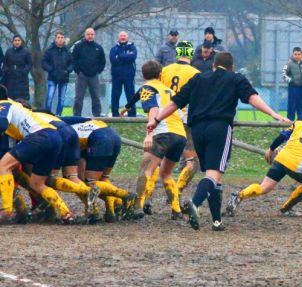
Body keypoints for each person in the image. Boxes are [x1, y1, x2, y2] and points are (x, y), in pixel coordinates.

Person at [147, 52, 290, 231]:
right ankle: (195, 202)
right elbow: (252, 98)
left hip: (197, 130)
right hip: (219, 128)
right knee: (213, 174)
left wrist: (156, 119)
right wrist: (273, 113)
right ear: (232, 66)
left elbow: (175, 103)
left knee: (212, 176)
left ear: (213, 65)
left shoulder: (198, 78)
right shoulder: (235, 78)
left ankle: (216, 221)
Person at [226, 100, 302, 218]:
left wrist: (271, 149)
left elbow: (283, 136)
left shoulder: (299, 123)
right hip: (297, 166)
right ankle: (285, 210)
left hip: (281, 158)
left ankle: (238, 195)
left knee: (264, 187)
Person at [0, 85, 76, 223]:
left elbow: (2, 123)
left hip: (38, 136)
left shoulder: (3, 104)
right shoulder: (14, 105)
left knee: (3, 166)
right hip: (54, 136)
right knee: (37, 184)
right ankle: (66, 213)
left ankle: (6, 211)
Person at [134, 60, 187, 220]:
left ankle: (136, 208)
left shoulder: (147, 88)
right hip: (179, 135)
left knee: (145, 170)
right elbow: (180, 114)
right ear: (160, 74)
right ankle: (176, 210)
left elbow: (153, 109)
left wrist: (149, 134)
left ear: (143, 75)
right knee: (166, 174)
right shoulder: (168, 91)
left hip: (162, 133)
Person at [60, 116, 136, 222]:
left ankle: (125, 195)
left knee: (90, 182)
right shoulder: (62, 120)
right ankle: (111, 210)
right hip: (113, 136)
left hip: (100, 139)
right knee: (103, 178)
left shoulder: (51, 126)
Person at [72, 28, 106, 117]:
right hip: (81, 75)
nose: (90, 36)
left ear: (94, 35)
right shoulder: (78, 46)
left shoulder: (98, 47)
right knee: (78, 97)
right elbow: (73, 59)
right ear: (85, 35)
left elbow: (102, 61)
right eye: (88, 34)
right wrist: (78, 71)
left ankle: (97, 115)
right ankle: (76, 115)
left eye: (92, 34)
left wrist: (98, 71)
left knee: (96, 97)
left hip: (94, 76)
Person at [42, 31, 73, 116]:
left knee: (62, 99)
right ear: (55, 39)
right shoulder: (49, 50)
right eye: (58, 37)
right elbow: (43, 62)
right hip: (52, 77)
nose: (60, 39)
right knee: (50, 97)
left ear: (64, 39)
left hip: (64, 78)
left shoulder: (67, 50)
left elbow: (72, 63)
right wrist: (51, 70)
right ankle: (47, 115)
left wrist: (68, 70)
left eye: (62, 37)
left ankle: (59, 115)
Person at [109, 31, 137, 117]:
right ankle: (115, 115)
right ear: (118, 37)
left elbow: (132, 57)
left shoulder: (132, 48)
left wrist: (119, 56)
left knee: (131, 97)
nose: (123, 37)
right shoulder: (114, 49)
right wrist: (125, 56)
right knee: (115, 96)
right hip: (116, 77)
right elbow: (113, 60)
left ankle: (132, 115)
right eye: (121, 36)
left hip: (129, 76)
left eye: (124, 36)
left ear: (127, 37)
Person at [1, 35, 32, 102]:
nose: (17, 42)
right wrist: (6, 71)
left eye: (18, 40)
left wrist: (24, 71)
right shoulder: (8, 51)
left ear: (21, 42)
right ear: (13, 41)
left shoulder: (26, 52)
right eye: (15, 40)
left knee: (21, 100)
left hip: (21, 80)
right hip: (10, 79)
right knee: (10, 99)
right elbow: (5, 63)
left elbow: (29, 64)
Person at [283, 47, 302, 121]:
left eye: (298, 54)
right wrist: (291, 80)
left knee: (301, 106)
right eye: (295, 54)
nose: (297, 56)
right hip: (292, 88)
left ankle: (300, 123)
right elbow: (284, 75)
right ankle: (290, 124)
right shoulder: (288, 64)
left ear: (301, 55)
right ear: (293, 54)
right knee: (292, 106)